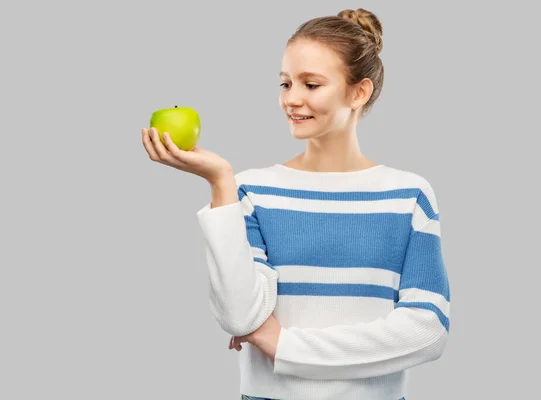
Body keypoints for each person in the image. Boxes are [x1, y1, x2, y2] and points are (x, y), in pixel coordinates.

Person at [142, 7, 450, 400]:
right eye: (286, 84)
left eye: (311, 84)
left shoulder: (408, 196)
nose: (292, 99)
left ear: (359, 92)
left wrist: (284, 346)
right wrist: (220, 183)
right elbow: (239, 316)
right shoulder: (252, 190)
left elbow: (428, 331)